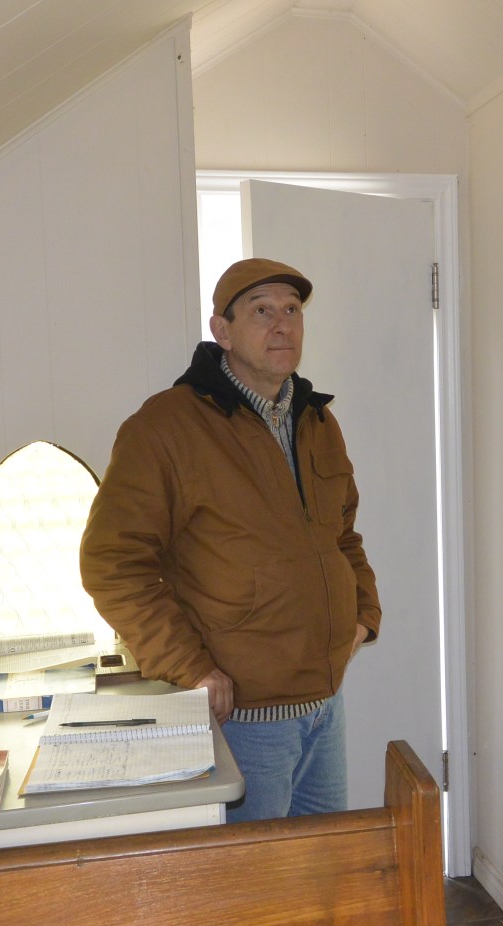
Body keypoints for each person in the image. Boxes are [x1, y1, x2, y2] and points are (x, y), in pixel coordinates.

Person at [80, 257, 381, 823]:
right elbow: (112, 563)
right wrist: (189, 666)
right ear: (222, 330)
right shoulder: (165, 427)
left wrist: (362, 616)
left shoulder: (317, 422)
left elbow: (343, 536)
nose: (282, 325)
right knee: (259, 877)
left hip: (326, 708)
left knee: (323, 868)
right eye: (262, 311)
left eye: (292, 310)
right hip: (244, 721)